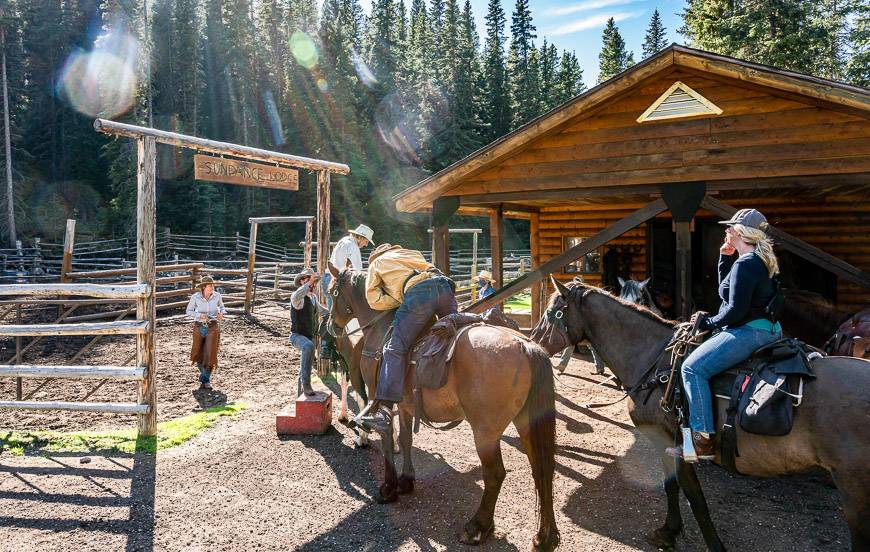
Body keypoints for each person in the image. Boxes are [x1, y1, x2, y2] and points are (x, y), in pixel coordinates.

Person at [667, 209, 782, 462]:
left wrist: (707, 321)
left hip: (750, 332)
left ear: (741, 232)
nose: (726, 231)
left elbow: (733, 311)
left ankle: (703, 440)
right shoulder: (757, 259)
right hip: (769, 330)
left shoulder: (746, 263)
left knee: (691, 368)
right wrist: (723, 259)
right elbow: (726, 293)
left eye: (730, 228)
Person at [354, 244, 457, 433]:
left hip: (418, 294)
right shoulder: (411, 252)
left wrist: (400, 300)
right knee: (454, 337)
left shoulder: (376, 263)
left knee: (394, 348)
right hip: (445, 286)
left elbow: (373, 299)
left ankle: (384, 412)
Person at [289, 268, 328, 396]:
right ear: (302, 282)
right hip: (297, 336)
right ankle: (306, 385)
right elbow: (297, 295)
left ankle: (300, 395)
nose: (312, 284)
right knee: (308, 346)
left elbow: (324, 312)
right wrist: (310, 282)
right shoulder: (297, 298)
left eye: (313, 282)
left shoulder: (313, 298)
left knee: (305, 367)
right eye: (308, 280)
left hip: (309, 338)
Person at [186, 275, 226, 391]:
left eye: (213, 285)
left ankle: (206, 379)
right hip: (199, 326)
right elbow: (188, 311)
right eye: (210, 286)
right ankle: (204, 375)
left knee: (210, 354)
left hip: (213, 326)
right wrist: (199, 315)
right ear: (203, 287)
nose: (212, 287)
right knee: (197, 353)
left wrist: (221, 313)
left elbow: (222, 308)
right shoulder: (195, 297)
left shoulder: (217, 296)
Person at [322, 224, 374, 310]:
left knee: (331, 313)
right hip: (336, 281)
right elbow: (359, 272)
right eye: (366, 241)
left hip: (327, 278)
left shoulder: (344, 240)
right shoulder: (353, 247)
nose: (366, 245)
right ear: (360, 237)